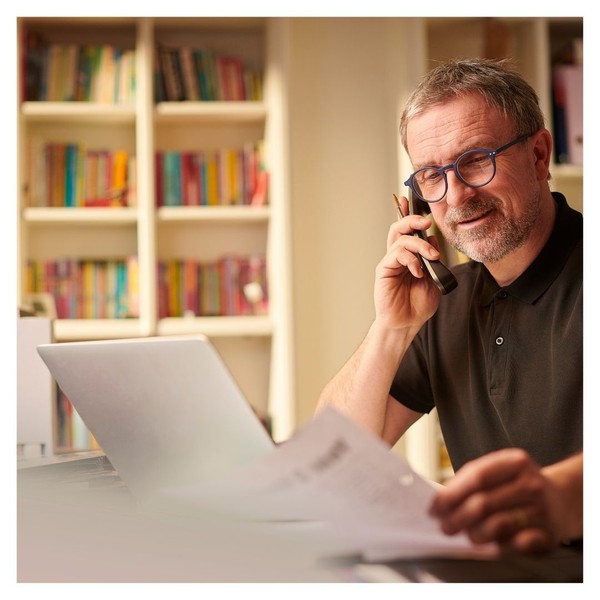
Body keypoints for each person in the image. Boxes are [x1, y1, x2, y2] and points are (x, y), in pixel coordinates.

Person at [316, 58, 583, 554]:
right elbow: (329, 456)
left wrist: (556, 497)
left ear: (540, 155)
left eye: (477, 159)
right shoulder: (442, 302)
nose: (456, 195)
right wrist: (391, 328)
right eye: (431, 175)